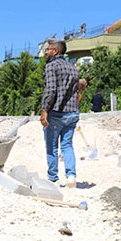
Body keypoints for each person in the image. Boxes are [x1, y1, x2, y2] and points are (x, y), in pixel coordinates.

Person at [40, 39, 80, 188]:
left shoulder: (51, 66)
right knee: (67, 145)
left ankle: (53, 178)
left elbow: (51, 90)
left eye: (48, 49)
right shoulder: (73, 68)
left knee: (52, 146)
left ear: (55, 51)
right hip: (73, 112)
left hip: (57, 113)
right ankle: (71, 175)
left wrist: (44, 110)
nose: (46, 52)